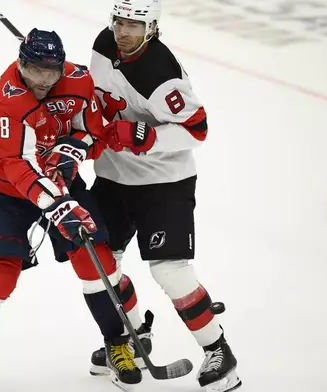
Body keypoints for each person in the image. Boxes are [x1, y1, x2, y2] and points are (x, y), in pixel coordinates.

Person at [0, 28, 146, 392]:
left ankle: (117, 346)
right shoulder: (7, 100)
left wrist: (72, 148)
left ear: (61, 67)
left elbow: (92, 130)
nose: (42, 82)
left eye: (49, 74)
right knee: (0, 275)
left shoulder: (79, 80)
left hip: (57, 183)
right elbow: (14, 164)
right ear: (21, 64)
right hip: (4, 188)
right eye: (34, 72)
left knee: (96, 258)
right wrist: (56, 205)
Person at [85, 1, 243, 391]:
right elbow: (98, 95)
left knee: (169, 271)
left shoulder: (162, 73)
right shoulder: (103, 44)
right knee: (101, 265)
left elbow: (198, 130)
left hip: (164, 183)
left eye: (134, 25)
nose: (123, 32)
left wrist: (147, 135)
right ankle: (135, 338)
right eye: (119, 22)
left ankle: (219, 352)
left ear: (152, 28)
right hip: (113, 177)